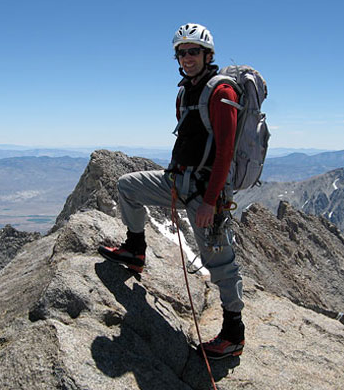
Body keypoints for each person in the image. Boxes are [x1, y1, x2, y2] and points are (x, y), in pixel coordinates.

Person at [98, 23, 244, 360]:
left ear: (208, 55)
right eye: (182, 52)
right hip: (178, 181)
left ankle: (233, 334)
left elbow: (226, 152)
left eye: (194, 51)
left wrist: (210, 202)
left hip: (208, 192)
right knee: (127, 186)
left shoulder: (222, 92)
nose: (187, 57)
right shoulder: (185, 91)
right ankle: (135, 250)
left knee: (220, 264)